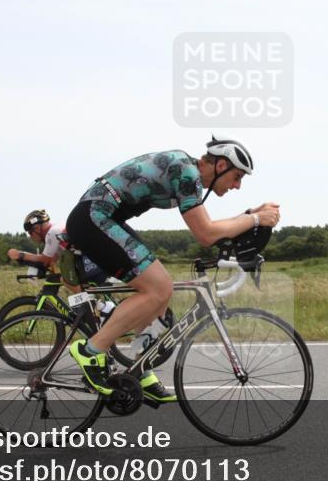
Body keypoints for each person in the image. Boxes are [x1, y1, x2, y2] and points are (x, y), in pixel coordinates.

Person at [62, 134, 280, 402]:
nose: (236, 186)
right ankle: (90, 351)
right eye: (237, 177)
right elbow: (206, 233)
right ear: (221, 166)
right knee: (158, 287)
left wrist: (249, 216)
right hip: (94, 218)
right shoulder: (186, 173)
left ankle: (138, 369)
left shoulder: (187, 171)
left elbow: (208, 227)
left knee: (160, 295)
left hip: (102, 218)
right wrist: (254, 219)